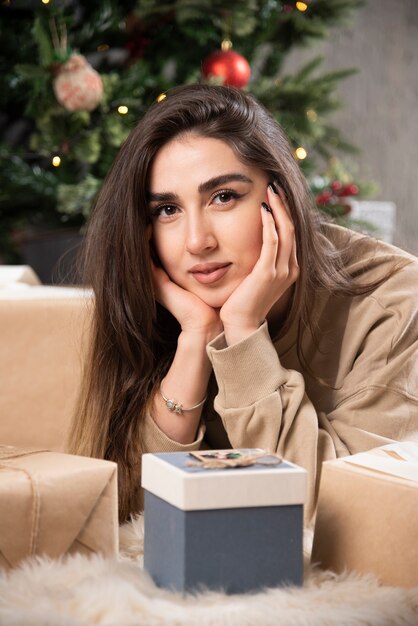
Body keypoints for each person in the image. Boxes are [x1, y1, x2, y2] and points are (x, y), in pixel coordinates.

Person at [67, 84, 418, 524]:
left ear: (279, 198)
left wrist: (244, 334)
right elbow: (131, 516)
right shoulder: (166, 306)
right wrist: (197, 340)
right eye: (167, 210)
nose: (197, 242)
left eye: (224, 197)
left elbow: (344, 515)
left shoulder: (394, 301)